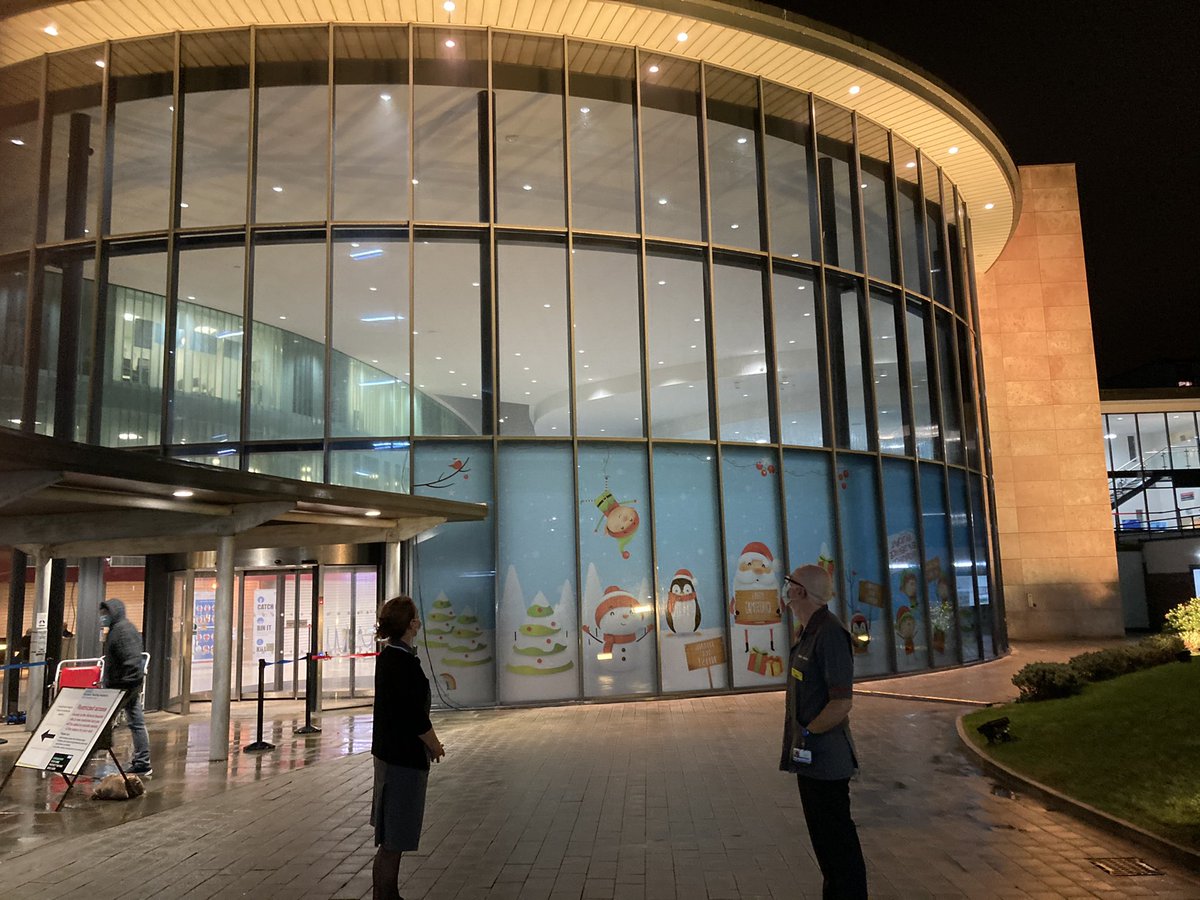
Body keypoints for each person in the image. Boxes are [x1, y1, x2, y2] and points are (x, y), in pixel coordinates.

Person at [780, 565, 867, 899]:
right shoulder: (808, 631)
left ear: (801, 591)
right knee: (826, 848)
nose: (785, 590)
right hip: (811, 760)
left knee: (838, 844)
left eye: (789, 584)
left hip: (826, 761)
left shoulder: (829, 633)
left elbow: (841, 702)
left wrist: (808, 734)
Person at [371, 596, 445, 900]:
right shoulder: (401, 663)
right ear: (411, 624)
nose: (419, 621)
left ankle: (388, 893)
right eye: (416, 617)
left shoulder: (391, 658)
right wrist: (434, 744)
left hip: (391, 754)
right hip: (402, 759)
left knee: (393, 836)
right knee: (394, 837)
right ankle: (385, 895)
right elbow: (413, 714)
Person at [99, 598, 152, 776]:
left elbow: (131, 661)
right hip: (125, 686)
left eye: (105, 613)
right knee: (135, 722)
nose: (103, 617)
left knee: (104, 722)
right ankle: (142, 761)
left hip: (123, 687)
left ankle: (83, 760)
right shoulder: (118, 629)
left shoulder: (122, 631)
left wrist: (123, 684)